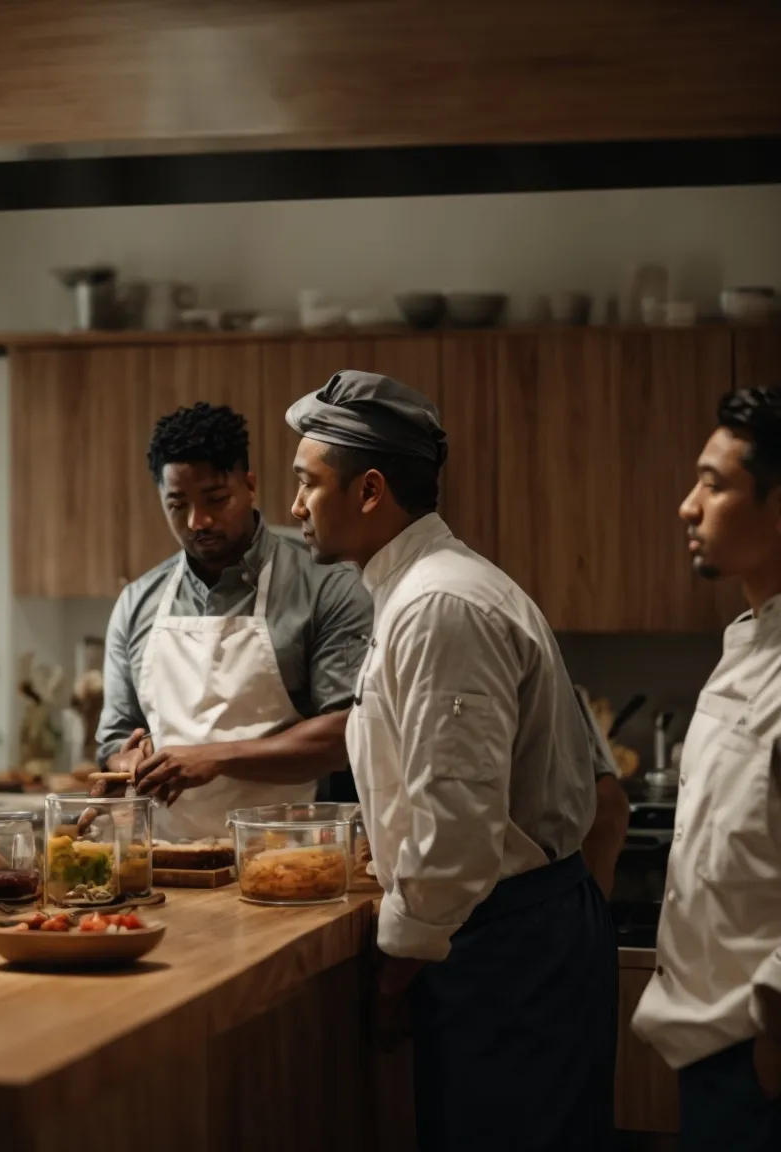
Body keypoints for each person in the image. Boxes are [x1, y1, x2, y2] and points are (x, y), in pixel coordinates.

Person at [286, 370, 617, 1150]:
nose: (294, 506)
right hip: (501, 932)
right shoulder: (420, 591)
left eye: (307, 483)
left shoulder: (440, 607)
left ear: (370, 491)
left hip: (504, 946)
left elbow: (458, 823)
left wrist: (399, 964)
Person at [95, 402, 372, 839]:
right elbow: (113, 739)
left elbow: (345, 735)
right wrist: (126, 762)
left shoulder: (325, 586)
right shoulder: (137, 602)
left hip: (287, 858)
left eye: (216, 500)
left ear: (250, 486)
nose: (197, 521)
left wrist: (217, 757)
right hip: (164, 863)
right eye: (177, 504)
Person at [632, 386, 781, 1149]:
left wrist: (773, 1037)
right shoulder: (747, 640)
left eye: (715, 485)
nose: (688, 506)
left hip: (759, 1046)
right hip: (709, 1038)